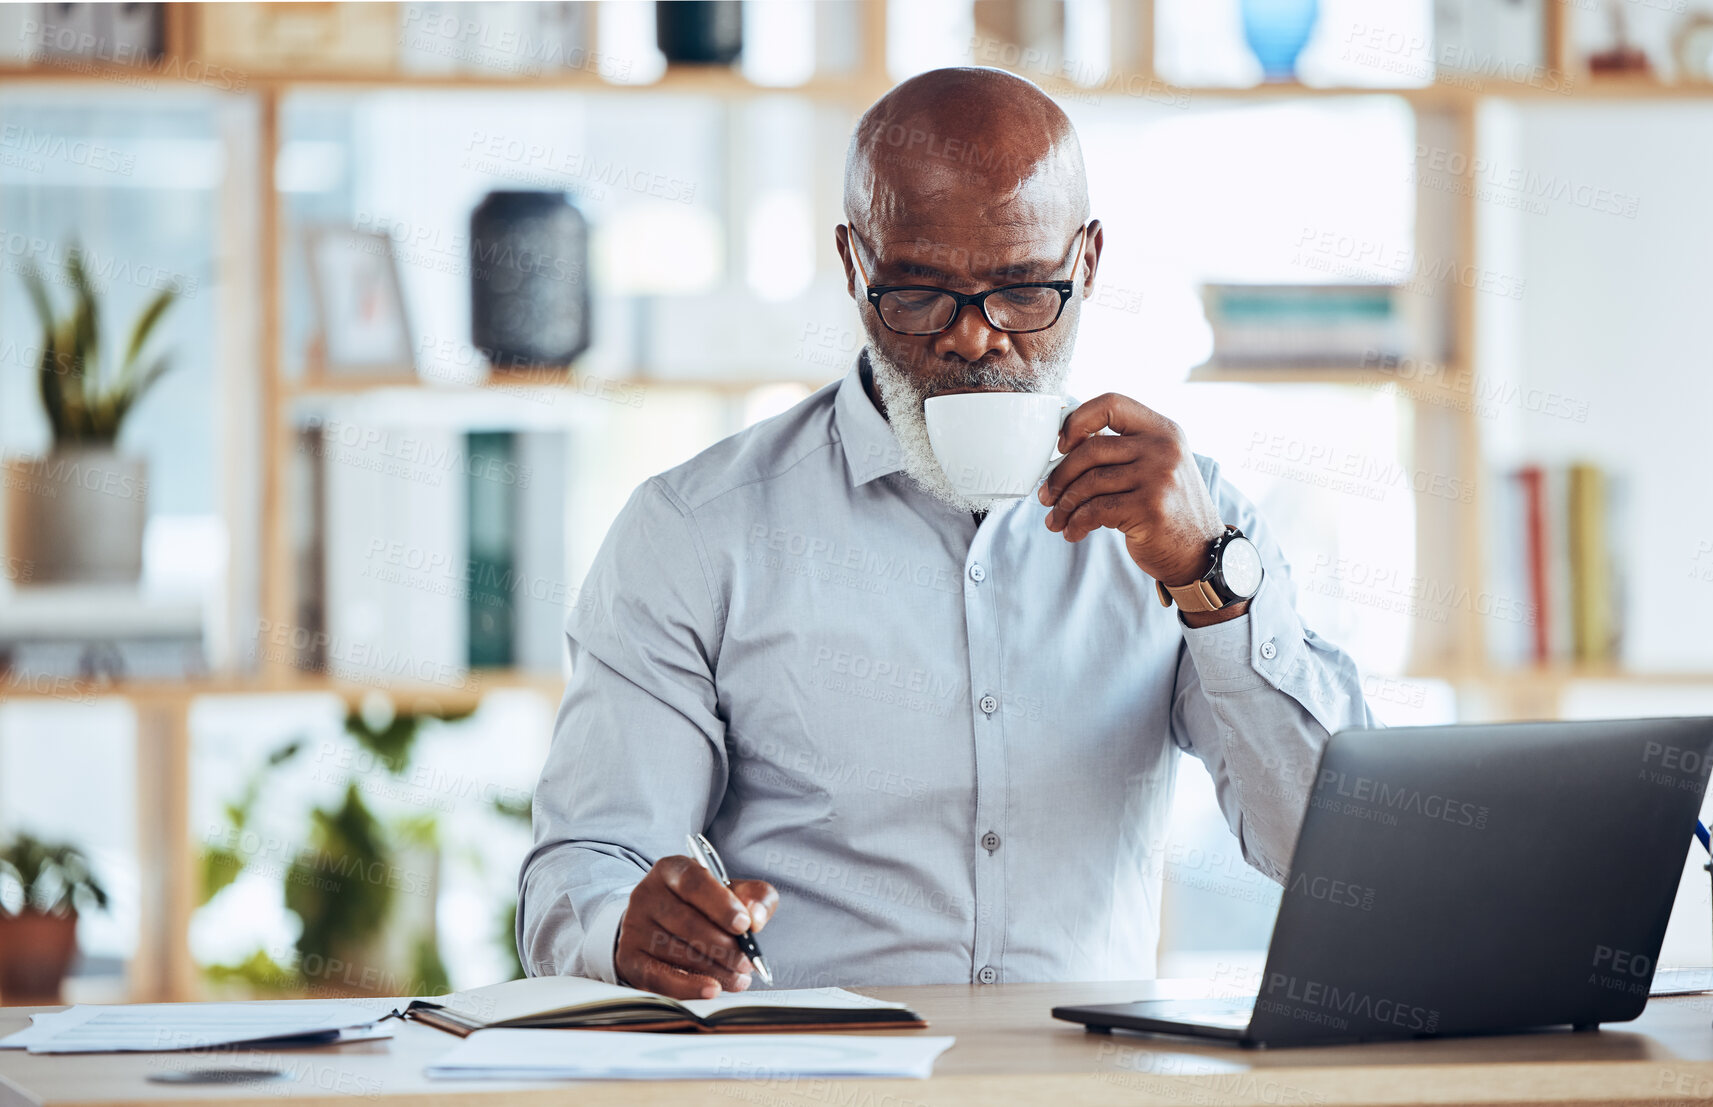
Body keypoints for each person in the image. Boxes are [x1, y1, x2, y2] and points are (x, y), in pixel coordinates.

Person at [518, 66, 1374, 999]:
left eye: (1021, 290)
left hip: (1087, 1086)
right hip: (814, 1083)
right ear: (854, 264)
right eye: (920, 291)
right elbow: (582, 870)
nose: (973, 339)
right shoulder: (695, 532)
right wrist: (627, 926)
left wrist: (1208, 582)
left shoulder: (1190, 520)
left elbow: (1336, 856)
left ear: (1086, 263)